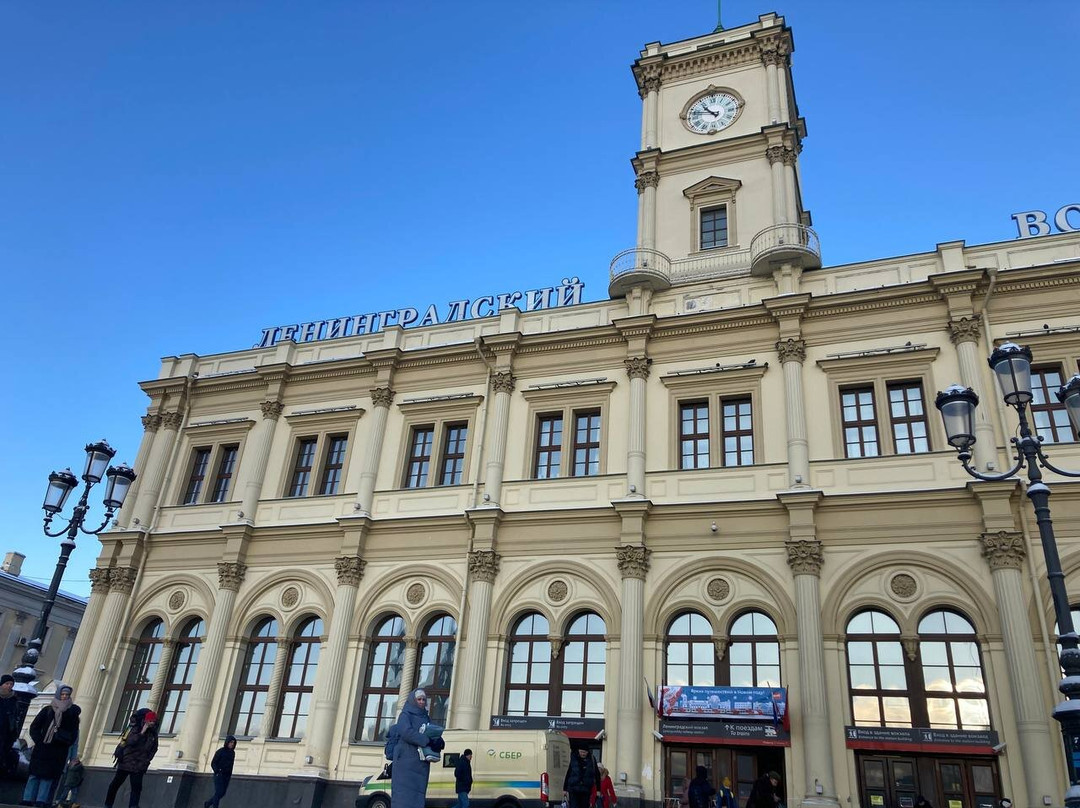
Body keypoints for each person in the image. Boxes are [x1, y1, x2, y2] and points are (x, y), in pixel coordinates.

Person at [22, 684, 80, 808]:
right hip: (42, 748)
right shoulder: (48, 710)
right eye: (62, 694)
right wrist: (39, 740)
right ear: (58, 695)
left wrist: (65, 743)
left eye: (67, 695)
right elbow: (35, 727)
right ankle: (27, 799)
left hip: (58, 750)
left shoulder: (71, 713)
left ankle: (41, 800)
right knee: (34, 775)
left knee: (48, 777)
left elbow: (74, 733)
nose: (64, 697)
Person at [389, 689, 443, 808]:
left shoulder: (426, 717)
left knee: (418, 797)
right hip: (405, 763)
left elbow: (433, 731)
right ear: (413, 700)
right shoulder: (405, 715)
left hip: (420, 764)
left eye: (424, 699)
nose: (422, 702)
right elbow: (406, 732)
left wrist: (439, 741)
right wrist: (427, 740)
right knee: (403, 797)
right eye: (419, 699)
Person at [104, 708, 158, 808]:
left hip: (140, 764)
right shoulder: (134, 728)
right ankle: (108, 805)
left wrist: (147, 760)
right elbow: (130, 741)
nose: (152, 723)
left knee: (136, 787)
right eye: (150, 720)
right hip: (126, 761)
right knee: (115, 784)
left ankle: (133, 806)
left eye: (153, 721)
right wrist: (142, 732)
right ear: (144, 719)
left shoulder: (153, 733)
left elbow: (154, 748)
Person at [204, 735, 237, 808]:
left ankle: (208, 803)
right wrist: (217, 771)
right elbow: (213, 763)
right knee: (219, 792)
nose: (232, 744)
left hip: (227, 776)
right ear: (227, 742)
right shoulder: (220, 751)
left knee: (222, 793)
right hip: (219, 775)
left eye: (233, 743)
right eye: (231, 742)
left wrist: (229, 774)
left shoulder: (232, 753)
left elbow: (231, 765)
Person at [0, 674, 18, 776]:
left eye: (11, 684)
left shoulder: (13, 699)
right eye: (7, 683)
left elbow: (14, 718)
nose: (9, 686)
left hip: (5, 734)